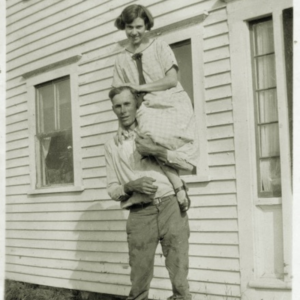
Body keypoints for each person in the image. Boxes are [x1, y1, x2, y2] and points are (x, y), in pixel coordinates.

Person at [105, 86, 191, 300]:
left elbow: (183, 160)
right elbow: (112, 188)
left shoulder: (153, 130)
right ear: (113, 110)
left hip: (171, 206)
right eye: (118, 106)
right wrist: (131, 186)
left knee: (179, 274)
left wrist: (179, 188)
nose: (123, 110)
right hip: (140, 212)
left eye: (127, 104)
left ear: (136, 105)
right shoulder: (112, 145)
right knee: (139, 279)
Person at [112, 4, 199, 212]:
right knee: (141, 140)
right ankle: (176, 187)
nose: (134, 32)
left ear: (147, 25)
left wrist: (140, 87)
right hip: (145, 107)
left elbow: (171, 80)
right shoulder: (121, 58)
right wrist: (120, 125)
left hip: (171, 101)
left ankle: (178, 185)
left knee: (155, 140)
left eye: (139, 26)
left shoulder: (159, 46)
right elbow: (119, 94)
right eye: (129, 27)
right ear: (124, 27)